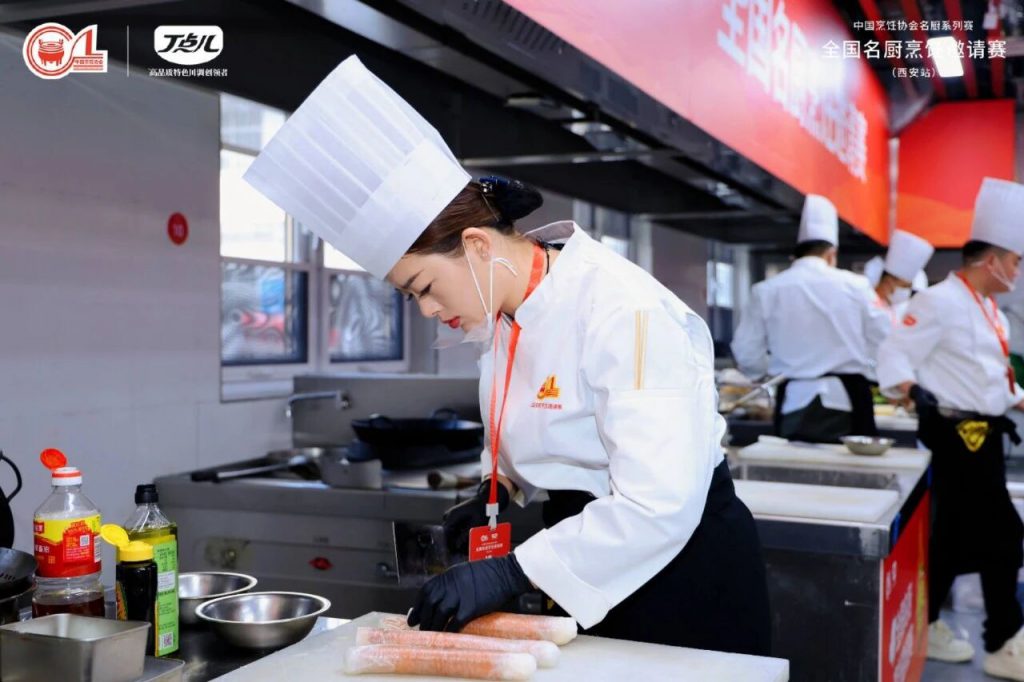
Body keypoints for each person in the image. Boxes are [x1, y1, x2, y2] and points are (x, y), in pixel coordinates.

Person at [243, 55, 771, 656]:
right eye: (411, 297)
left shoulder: (622, 309)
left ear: (475, 244)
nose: (426, 309)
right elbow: (548, 425)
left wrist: (513, 571)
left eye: (424, 287)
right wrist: (498, 490)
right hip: (586, 557)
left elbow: (659, 504)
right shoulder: (509, 310)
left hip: (682, 578)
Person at [877, 177, 1024, 681]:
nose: (1018, 271)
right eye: (1016, 261)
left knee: (952, 539)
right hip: (956, 434)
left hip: (987, 434)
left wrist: (1017, 399)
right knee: (1006, 535)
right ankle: (1003, 640)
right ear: (993, 260)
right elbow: (893, 354)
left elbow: (989, 377)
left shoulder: (991, 311)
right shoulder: (939, 301)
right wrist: (913, 390)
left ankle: (927, 622)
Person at [731, 195, 891, 442]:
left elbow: (746, 352)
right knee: (856, 465)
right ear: (831, 254)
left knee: (795, 464)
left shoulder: (767, 290)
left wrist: (767, 372)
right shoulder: (856, 285)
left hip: (794, 399)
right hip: (850, 397)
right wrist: (875, 372)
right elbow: (884, 338)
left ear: (797, 255)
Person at [868, 229, 934, 325]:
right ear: (889, 282)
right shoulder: (867, 305)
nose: (907, 292)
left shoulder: (896, 310)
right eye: (905, 286)